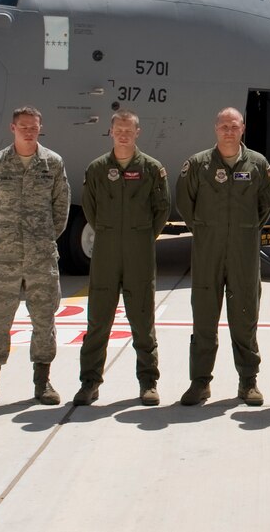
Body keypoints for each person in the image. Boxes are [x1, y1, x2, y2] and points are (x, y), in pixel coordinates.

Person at [0, 106, 70, 406]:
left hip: (41, 256)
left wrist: (42, 238)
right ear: (13, 128)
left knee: (44, 319)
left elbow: (61, 207)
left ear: (40, 128)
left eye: (33, 127)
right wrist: (5, 237)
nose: (29, 131)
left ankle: (42, 382)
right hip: (4, 257)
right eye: (23, 126)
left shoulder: (52, 163)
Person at [176, 107, 270, 406]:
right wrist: (205, 229)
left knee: (245, 318)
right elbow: (184, 202)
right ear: (215, 129)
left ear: (242, 128)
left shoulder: (258, 164)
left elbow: (267, 203)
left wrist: (245, 230)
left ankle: (248, 382)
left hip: (244, 254)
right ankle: (200, 382)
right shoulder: (198, 164)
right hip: (207, 252)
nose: (229, 131)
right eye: (224, 126)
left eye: (234, 126)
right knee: (204, 319)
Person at [73, 110, 170, 406]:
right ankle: (89, 382)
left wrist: (141, 236)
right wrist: (110, 232)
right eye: (119, 130)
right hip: (106, 253)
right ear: (111, 132)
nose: (124, 135)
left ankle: (148, 382)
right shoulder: (97, 169)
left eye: (129, 130)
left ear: (137, 132)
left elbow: (162, 209)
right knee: (98, 321)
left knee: (142, 321)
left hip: (139, 253)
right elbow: (90, 208)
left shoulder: (152, 169)